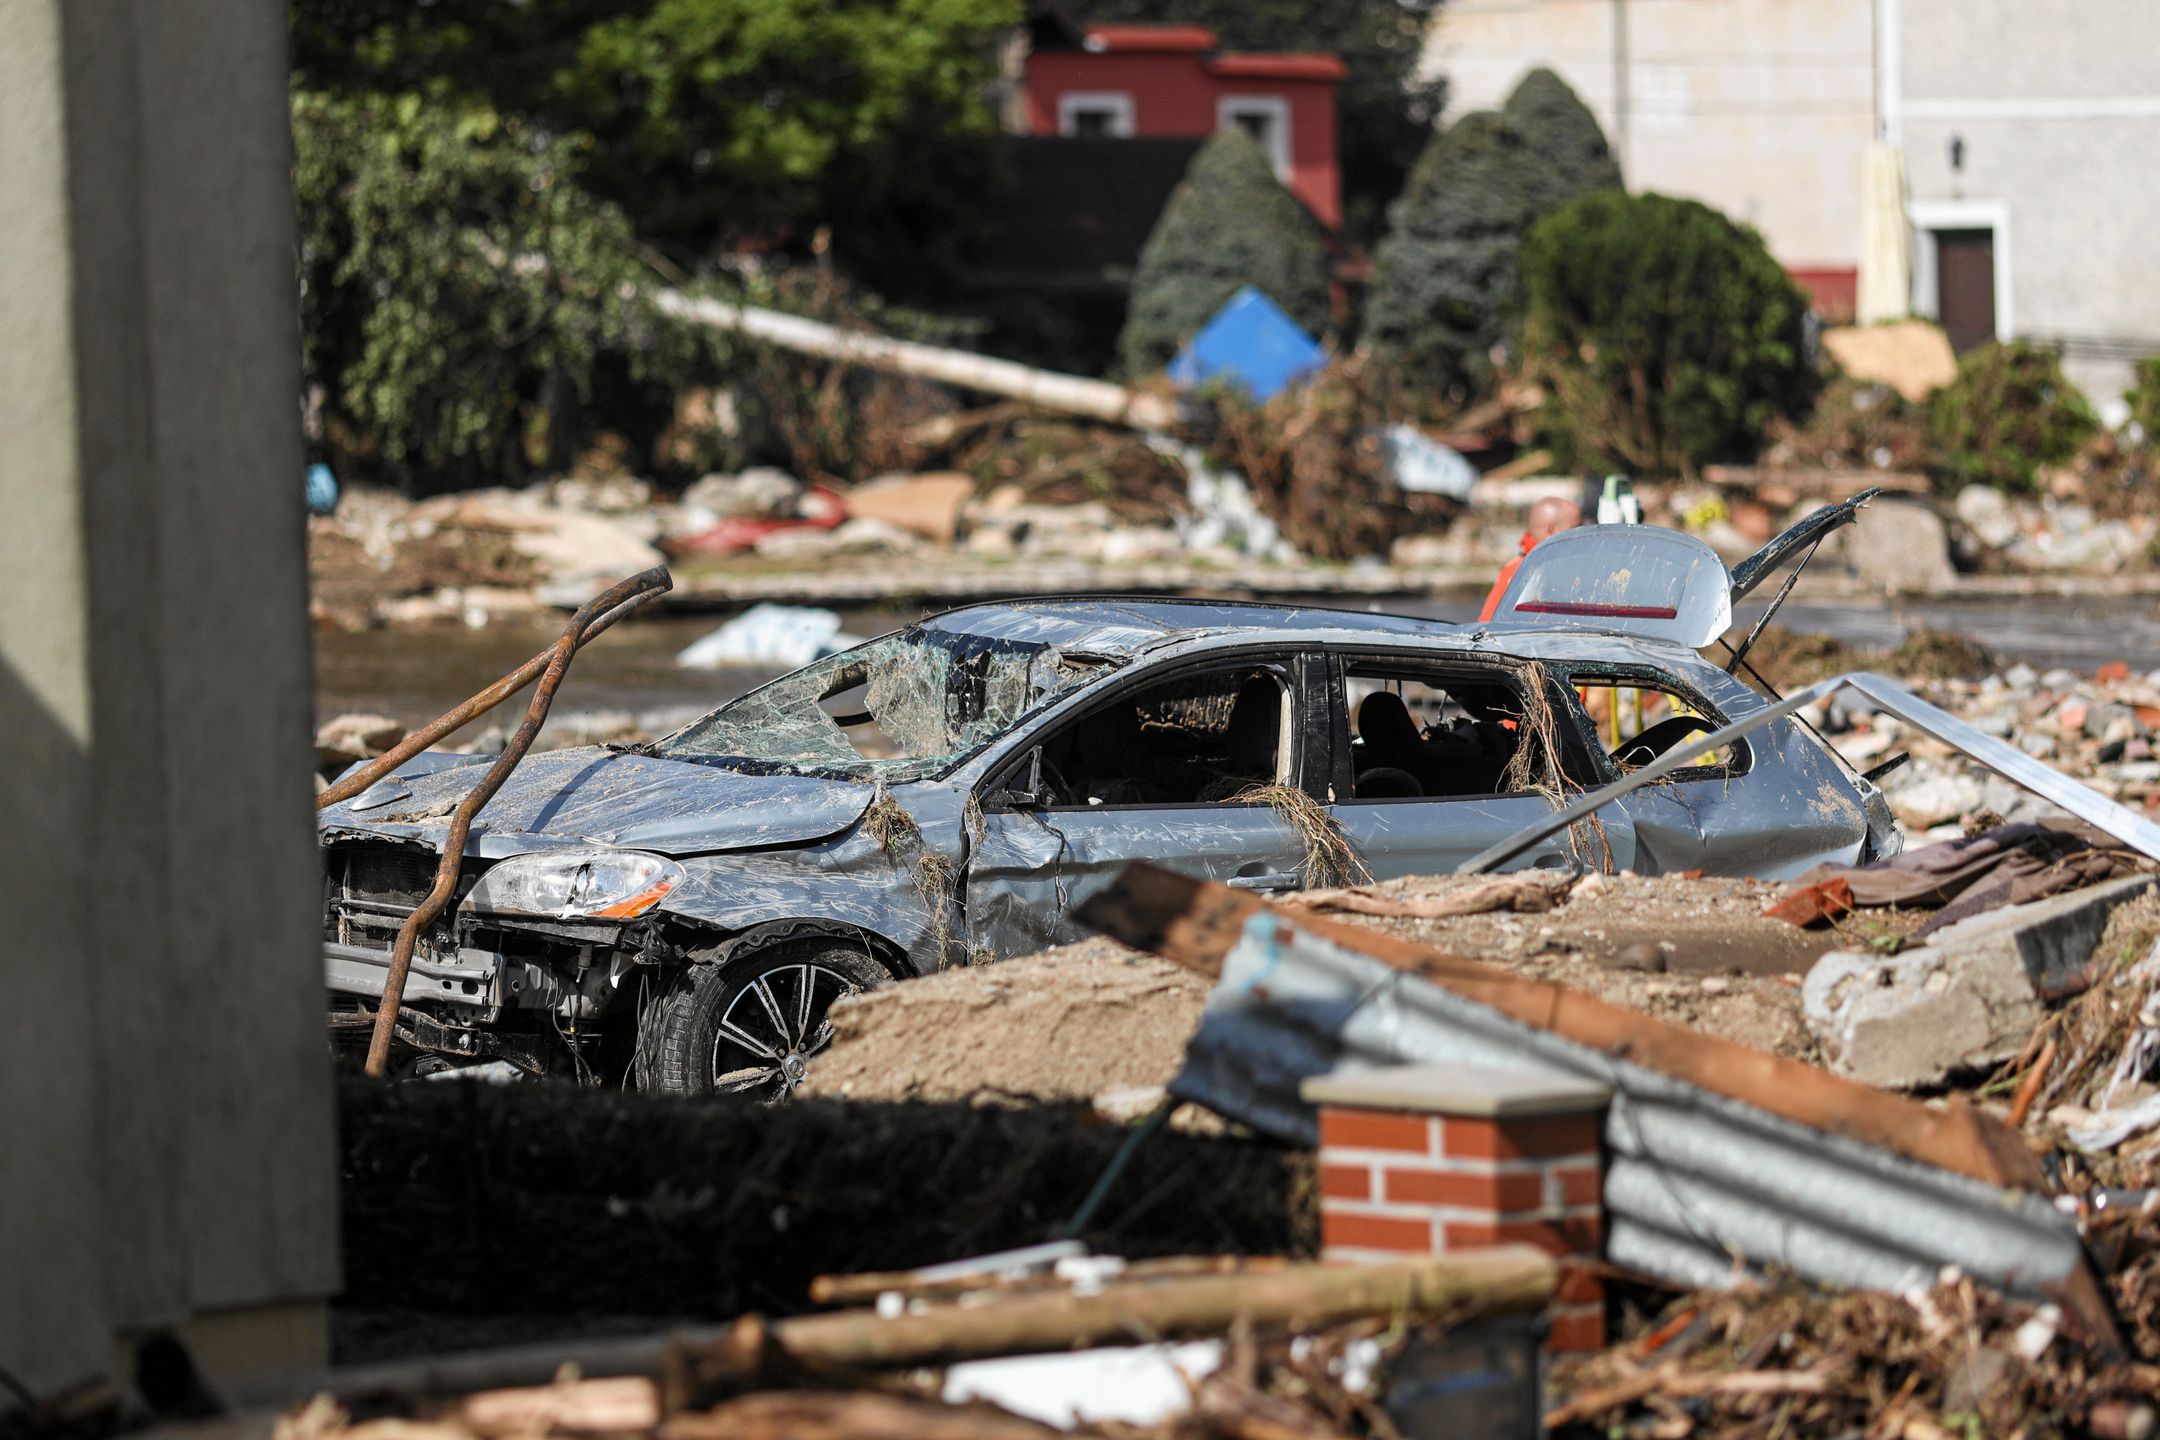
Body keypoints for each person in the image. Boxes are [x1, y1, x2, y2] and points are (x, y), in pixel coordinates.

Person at [1478, 495, 1582, 621]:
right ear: (1550, 529)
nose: (1580, 536)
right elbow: (1487, 627)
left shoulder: (1564, 567)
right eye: (1575, 528)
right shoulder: (1518, 572)